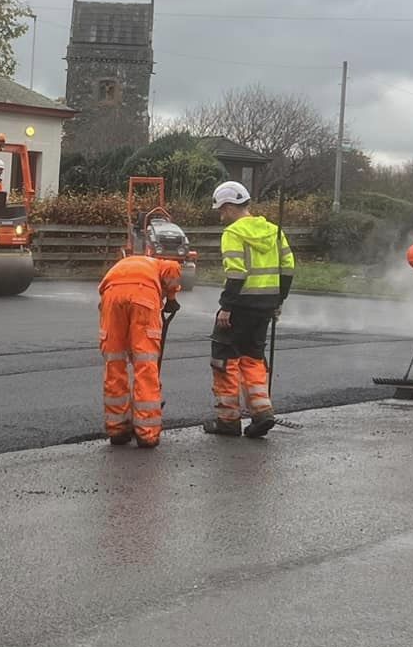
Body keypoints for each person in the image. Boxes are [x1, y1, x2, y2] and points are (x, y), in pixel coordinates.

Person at [203, 180, 294, 439]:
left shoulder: (233, 233)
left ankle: (228, 420)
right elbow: (288, 268)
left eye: (222, 210)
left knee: (224, 360)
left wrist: (226, 308)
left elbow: (236, 272)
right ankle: (262, 411)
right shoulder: (275, 231)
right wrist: (278, 301)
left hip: (239, 306)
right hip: (264, 308)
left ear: (231, 207)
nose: (222, 216)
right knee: (253, 358)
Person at [98, 252, 184, 448]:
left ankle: (117, 429)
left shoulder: (126, 264)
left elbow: (103, 293)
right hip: (143, 296)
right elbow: (173, 267)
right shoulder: (159, 263)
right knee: (145, 365)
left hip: (111, 296)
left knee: (115, 362)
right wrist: (171, 297)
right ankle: (147, 433)